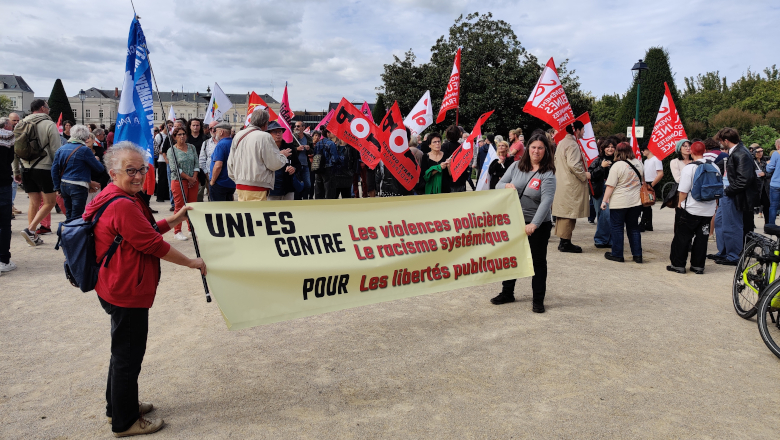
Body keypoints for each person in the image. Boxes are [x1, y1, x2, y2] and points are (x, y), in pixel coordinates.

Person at [83, 141, 206, 437]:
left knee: (122, 352)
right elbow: (151, 244)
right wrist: (191, 262)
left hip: (115, 284)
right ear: (113, 173)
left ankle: (118, 407)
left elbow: (144, 230)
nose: (138, 176)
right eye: (130, 171)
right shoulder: (123, 203)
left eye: (142, 169)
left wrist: (174, 218)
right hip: (126, 290)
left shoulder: (117, 195)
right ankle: (125, 422)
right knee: (128, 355)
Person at [493, 132, 556, 312]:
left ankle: (538, 300)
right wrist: (506, 185)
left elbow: (546, 202)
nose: (536, 151)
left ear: (546, 151)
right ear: (528, 149)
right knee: (511, 258)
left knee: (537, 262)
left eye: (540, 148)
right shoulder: (516, 166)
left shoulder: (548, 174)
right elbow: (498, 185)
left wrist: (534, 224)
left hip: (537, 225)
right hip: (514, 221)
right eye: (533, 147)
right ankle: (507, 293)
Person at [709, 128, 759, 265]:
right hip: (728, 193)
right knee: (720, 222)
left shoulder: (741, 153)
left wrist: (728, 191)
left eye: (720, 141)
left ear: (726, 141)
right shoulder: (737, 152)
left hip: (731, 194)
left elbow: (745, 179)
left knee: (731, 225)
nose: (719, 144)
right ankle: (724, 251)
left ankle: (733, 256)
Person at [668, 141, 718, 274]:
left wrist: (679, 204)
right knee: (702, 239)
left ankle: (678, 265)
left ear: (692, 152)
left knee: (683, 237)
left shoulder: (689, 168)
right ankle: (698, 266)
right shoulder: (714, 166)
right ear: (705, 150)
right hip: (708, 210)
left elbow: (683, 190)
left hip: (691, 209)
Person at [19, 99, 62, 247]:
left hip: (25, 167)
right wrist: (59, 169)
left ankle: (32, 235)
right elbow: (56, 149)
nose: (49, 110)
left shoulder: (21, 123)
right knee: (50, 202)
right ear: (43, 108)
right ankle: (30, 230)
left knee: (34, 202)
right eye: (48, 107)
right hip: (44, 167)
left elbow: (14, 148)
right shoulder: (49, 124)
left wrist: (16, 169)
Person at [227, 109, 290, 201]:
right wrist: (283, 156)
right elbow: (273, 164)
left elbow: (231, 162)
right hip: (258, 186)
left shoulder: (239, 135)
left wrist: (237, 179)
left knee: (245, 213)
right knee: (257, 214)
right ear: (265, 124)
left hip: (240, 185)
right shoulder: (265, 136)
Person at [50, 124, 104, 222]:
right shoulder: (84, 150)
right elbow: (99, 168)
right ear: (86, 137)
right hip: (79, 185)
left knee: (69, 214)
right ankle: (73, 235)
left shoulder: (61, 149)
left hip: (64, 184)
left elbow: (54, 170)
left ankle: (67, 234)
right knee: (76, 216)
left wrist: (57, 187)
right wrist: (97, 160)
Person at [601, 142, 643, 263]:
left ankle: (617, 254)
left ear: (617, 151)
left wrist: (604, 201)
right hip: (636, 201)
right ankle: (637, 255)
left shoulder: (617, 165)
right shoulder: (639, 163)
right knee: (634, 228)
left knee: (617, 228)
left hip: (619, 201)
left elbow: (610, 186)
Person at [551, 121, 590, 253]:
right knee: (569, 213)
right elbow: (574, 164)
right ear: (577, 130)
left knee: (564, 213)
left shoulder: (562, 142)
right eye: (583, 130)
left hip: (562, 182)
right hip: (570, 184)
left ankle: (564, 241)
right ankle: (565, 242)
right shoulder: (572, 144)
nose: (584, 132)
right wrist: (584, 175)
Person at [167, 127, 199, 241]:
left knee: (192, 206)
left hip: (193, 180)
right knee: (180, 206)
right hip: (179, 180)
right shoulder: (171, 150)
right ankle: (178, 231)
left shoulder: (191, 147)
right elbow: (174, 168)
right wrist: (188, 178)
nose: (182, 136)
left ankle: (191, 229)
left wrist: (194, 178)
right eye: (179, 134)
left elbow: (196, 162)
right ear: (175, 137)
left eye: (183, 134)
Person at [589, 136, 619, 248]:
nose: (610, 149)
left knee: (609, 214)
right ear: (603, 148)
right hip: (599, 189)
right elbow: (591, 175)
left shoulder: (618, 161)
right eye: (608, 147)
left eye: (612, 147)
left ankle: (605, 239)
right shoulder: (597, 160)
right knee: (601, 214)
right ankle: (602, 239)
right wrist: (601, 167)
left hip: (613, 190)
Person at [0, 116, 17, 274]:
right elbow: (11, 158)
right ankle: (3, 259)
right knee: (4, 223)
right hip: (3, 181)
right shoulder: (8, 137)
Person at [267, 121, 300, 201]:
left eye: (280, 131)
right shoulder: (266, 148)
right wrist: (279, 154)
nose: (278, 134)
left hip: (287, 189)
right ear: (269, 134)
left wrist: (293, 169)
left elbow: (298, 164)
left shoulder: (290, 148)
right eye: (275, 132)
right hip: (271, 190)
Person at [208, 122, 236, 201]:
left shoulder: (221, 144)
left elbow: (218, 165)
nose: (215, 133)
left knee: (217, 209)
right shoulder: (233, 143)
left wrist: (212, 181)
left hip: (220, 182)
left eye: (216, 131)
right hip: (231, 182)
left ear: (221, 132)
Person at [640, 145, 664, 231]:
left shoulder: (656, 159)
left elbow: (660, 174)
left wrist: (652, 185)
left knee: (647, 203)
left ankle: (643, 223)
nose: (642, 152)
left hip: (652, 183)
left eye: (643, 150)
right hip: (646, 183)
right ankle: (648, 224)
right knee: (647, 203)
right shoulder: (646, 161)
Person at [312, 128, 339, 199]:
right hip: (328, 168)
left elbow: (314, 155)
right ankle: (328, 207)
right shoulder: (331, 143)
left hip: (318, 168)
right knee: (329, 190)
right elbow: (335, 158)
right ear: (328, 133)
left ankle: (319, 206)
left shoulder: (318, 143)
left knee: (319, 189)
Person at [198, 121, 219, 200]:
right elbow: (202, 159)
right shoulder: (206, 143)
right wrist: (206, 172)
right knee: (211, 196)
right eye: (210, 128)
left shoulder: (225, 142)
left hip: (223, 176)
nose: (212, 130)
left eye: (215, 128)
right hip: (209, 175)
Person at [293, 121, 313, 200]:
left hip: (305, 165)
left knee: (307, 184)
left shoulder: (308, 138)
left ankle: (305, 199)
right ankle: (298, 200)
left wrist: (309, 149)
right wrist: (296, 149)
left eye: (298, 126)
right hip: (296, 165)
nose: (296, 128)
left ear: (303, 128)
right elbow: (288, 149)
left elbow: (312, 151)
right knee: (297, 184)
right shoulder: (292, 137)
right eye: (295, 126)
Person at [154, 123, 170, 203]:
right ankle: (159, 196)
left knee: (167, 179)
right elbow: (155, 148)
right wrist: (163, 152)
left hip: (169, 160)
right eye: (169, 125)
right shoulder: (159, 136)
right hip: (161, 160)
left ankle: (166, 195)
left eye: (171, 125)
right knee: (162, 179)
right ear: (164, 126)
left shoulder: (170, 135)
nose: (170, 127)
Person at [766, 139, 780, 225]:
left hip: (776, 183)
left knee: (773, 206)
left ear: (778, 146)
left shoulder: (776, 154)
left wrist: (768, 164)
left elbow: (769, 169)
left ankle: (771, 226)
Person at [753, 146, 770, 219]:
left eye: (761, 151)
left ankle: (767, 224)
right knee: (752, 206)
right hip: (755, 186)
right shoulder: (752, 162)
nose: (760, 153)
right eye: (758, 152)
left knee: (766, 206)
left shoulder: (764, 162)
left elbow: (770, 173)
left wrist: (765, 174)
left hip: (764, 187)